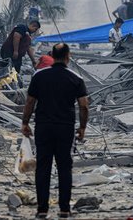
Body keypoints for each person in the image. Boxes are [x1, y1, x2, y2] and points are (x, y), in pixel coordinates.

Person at [22, 43, 89, 219]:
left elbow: (30, 102)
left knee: (43, 167)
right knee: (64, 167)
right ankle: (64, 209)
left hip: (43, 127)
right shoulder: (75, 78)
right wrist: (82, 127)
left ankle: (42, 209)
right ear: (69, 56)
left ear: (52, 55)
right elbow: (84, 106)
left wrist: (25, 123)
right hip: (65, 128)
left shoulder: (39, 76)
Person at [0, 21, 40, 86]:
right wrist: (15, 51)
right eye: (35, 29)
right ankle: (5, 84)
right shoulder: (22, 27)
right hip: (10, 52)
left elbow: (28, 48)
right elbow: (16, 36)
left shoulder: (28, 35)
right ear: (33, 26)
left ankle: (13, 85)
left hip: (18, 56)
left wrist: (33, 60)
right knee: (9, 69)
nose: (35, 31)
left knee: (16, 70)